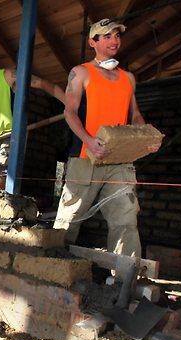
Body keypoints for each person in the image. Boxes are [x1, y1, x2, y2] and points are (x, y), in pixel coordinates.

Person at [53, 19, 160, 257]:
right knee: (68, 220)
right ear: (93, 42)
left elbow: (136, 115)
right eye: (107, 36)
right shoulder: (80, 72)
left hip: (119, 161)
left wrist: (145, 138)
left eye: (117, 36)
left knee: (126, 220)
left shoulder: (128, 78)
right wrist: (89, 141)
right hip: (85, 157)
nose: (115, 40)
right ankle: (53, 267)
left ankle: (125, 279)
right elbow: (69, 113)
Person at [0, 45, 65, 190]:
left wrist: (68, 104)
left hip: (9, 137)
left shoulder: (7, 76)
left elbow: (42, 83)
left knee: (1, 181)